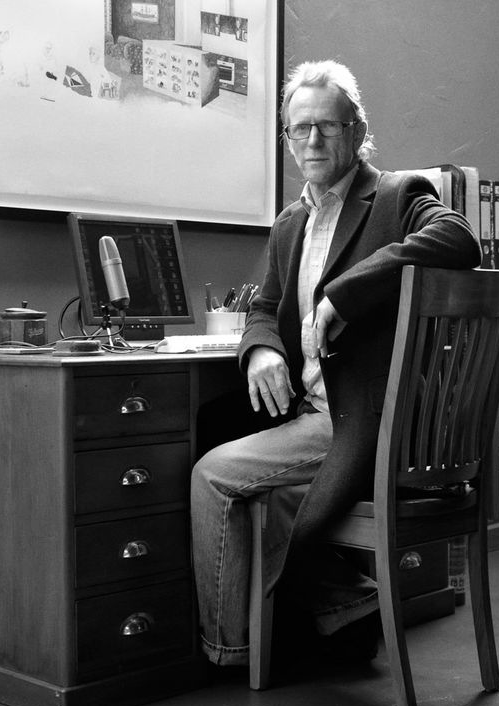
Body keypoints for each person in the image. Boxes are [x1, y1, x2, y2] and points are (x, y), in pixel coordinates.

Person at [191, 60, 481, 668]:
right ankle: (340, 610)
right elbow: (264, 306)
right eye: (300, 129)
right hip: (313, 412)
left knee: (214, 475)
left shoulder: (398, 195)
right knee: (213, 430)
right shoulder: (289, 223)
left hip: (368, 421)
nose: (313, 140)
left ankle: (231, 652)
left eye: (328, 125)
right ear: (288, 138)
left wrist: (343, 294)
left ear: (358, 131)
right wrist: (261, 348)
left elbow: (459, 239)